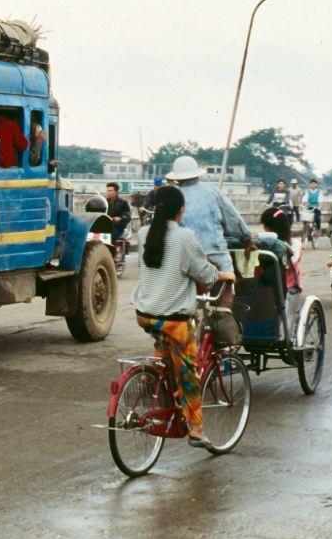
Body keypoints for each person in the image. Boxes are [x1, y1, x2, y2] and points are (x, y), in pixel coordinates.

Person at [131, 184, 232, 450]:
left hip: (145, 314)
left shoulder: (143, 234)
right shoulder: (185, 237)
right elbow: (205, 275)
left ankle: (151, 371)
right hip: (174, 319)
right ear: (181, 211)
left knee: (165, 346)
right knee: (189, 374)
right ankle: (197, 430)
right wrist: (225, 275)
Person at [165, 155, 251, 272]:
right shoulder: (212, 191)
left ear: (176, 177)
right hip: (216, 252)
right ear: (197, 173)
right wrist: (247, 240)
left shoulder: (172, 195)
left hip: (186, 257)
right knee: (226, 285)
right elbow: (232, 218)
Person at [257, 206, 303, 292]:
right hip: (289, 284)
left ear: (267, 227)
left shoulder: (266, 245)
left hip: (279, 287)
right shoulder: (297, 245)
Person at [104, 182, 132, 267]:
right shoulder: (104, 202)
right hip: (105, 225)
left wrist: (121, 218)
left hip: (118, 226)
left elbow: (127, 214)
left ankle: (112, 257)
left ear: (116, 192)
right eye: (107, 190)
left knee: (110, 237)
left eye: (111, 190)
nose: (108, 192)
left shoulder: (123, 203)